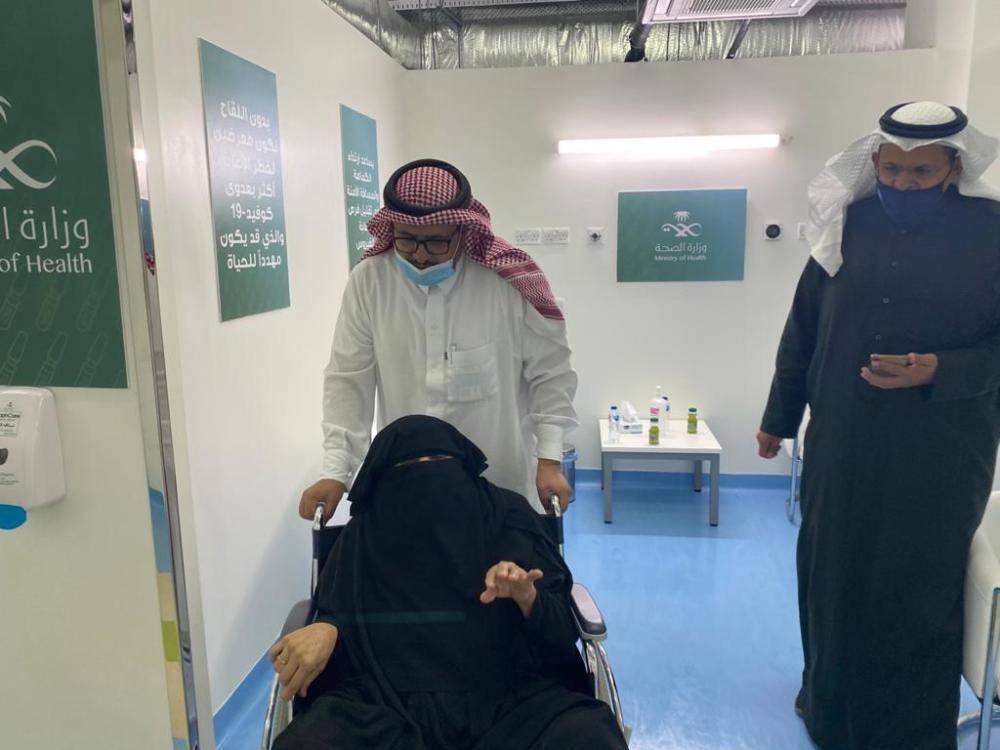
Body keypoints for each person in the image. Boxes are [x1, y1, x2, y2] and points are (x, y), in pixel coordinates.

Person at [758, 101, 1000, 750]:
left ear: (955, 168)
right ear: (874, 162)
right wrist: (779, 417)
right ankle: (827, 704)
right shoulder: (847, 223)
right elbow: (804, 326)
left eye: (921, 173)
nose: (902, 184)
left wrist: (941, 369)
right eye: (891, 170)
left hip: (943, 449)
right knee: (831, 573)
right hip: (843, 440)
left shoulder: (992, 233)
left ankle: (910, 731)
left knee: (917, 585)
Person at [271, 416, 628, 750]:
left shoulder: (510, 519)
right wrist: (327, 626)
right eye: (409, 468)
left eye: (440, 462)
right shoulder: (363, 537)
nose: (428, 482)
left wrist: (527, 597)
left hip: (510, 695)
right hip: (383, 701)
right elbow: (338, 614)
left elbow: (561, 629)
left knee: (587, 735)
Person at [299, 159, 577, 523]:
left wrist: (550, 460)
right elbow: (348, 379)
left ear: (462, 231)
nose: (419, 254)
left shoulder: (507, 284)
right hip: (409, 486)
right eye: (406, 239)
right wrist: (336, 471)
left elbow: (550, 373)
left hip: (498, 487)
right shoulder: (370, 281)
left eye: (436, 242)